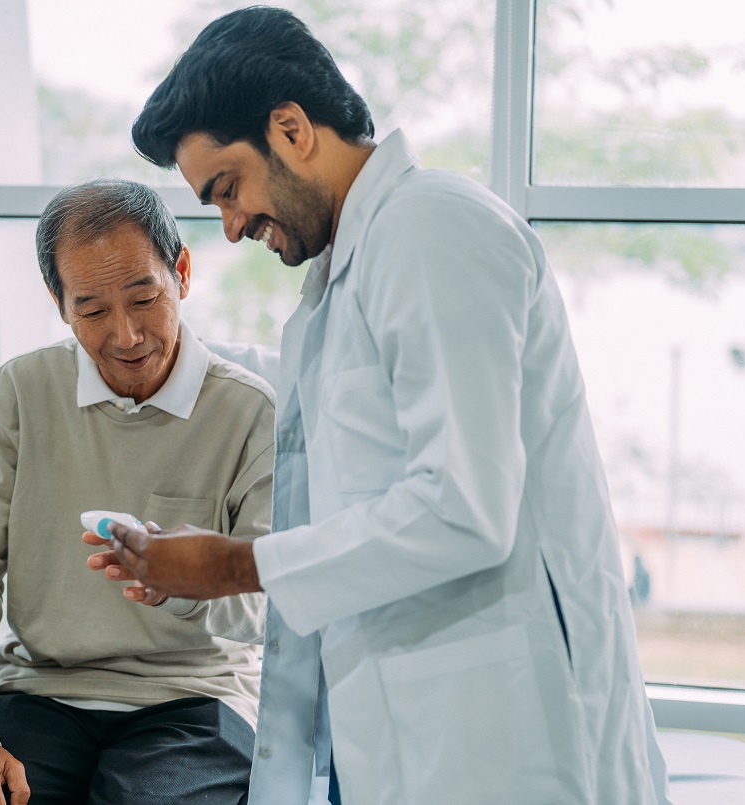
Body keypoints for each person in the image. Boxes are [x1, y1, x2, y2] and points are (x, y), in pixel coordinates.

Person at [98, 7, 672, 804]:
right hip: (408, 735)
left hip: (513, 743)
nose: (230, 227)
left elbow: (464, 505)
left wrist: (234, 564)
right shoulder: (340, 286)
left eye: (228, 189)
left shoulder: (431, 228)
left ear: (292, 128)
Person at [0, 179, 275, 805]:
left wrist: (187, 584)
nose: (126, 335)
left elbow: (271, 604)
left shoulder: (251, 411)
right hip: (41, 688)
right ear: (60, 305)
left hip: (196, 695)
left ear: (183, 273)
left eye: (144, 298)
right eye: (92, 310)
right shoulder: (21, 392)